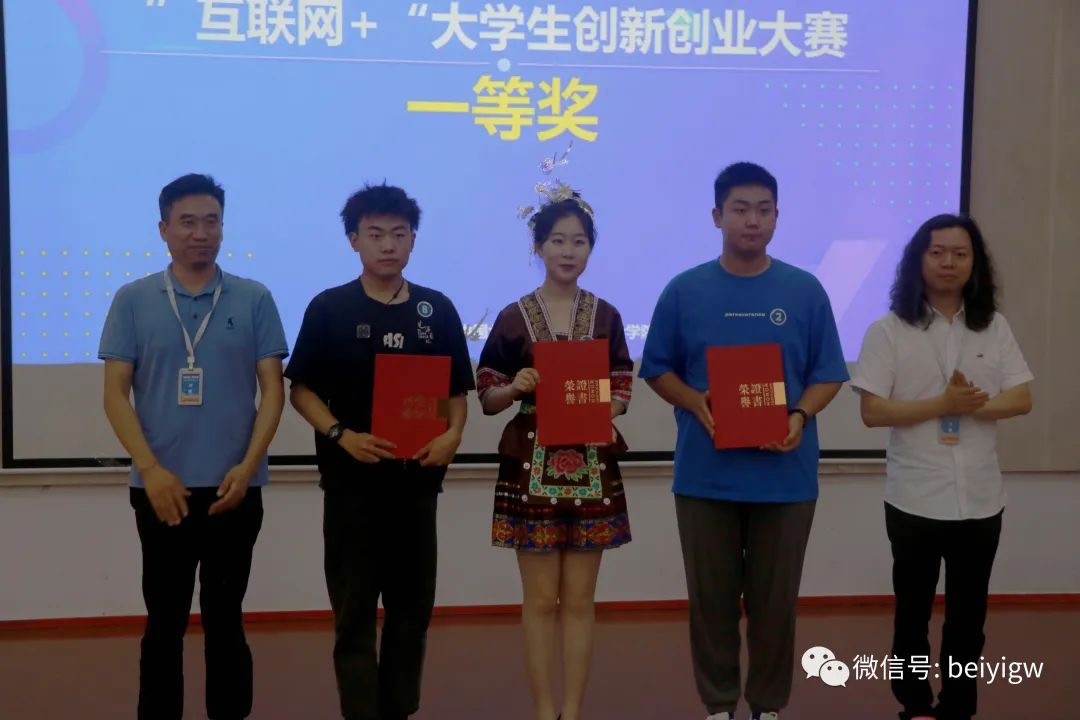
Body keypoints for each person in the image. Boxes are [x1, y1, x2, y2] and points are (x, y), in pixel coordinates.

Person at [638, 162, 849, 720]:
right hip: (706, 476)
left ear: (777, 217)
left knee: (775, 604)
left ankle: (768, 705)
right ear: (717, 216)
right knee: (711, 601)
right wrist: (695, 401)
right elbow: (657, 369)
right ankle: (718, 704)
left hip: (786, 477)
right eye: (740, 209)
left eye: (763, 210)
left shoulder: (804, 290)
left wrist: (800, 414)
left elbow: (828, 373)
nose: (752, 220)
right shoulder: (684, 290)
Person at [99, 173, 289, 720]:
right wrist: (151, 470)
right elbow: (114, 394)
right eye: (187, 222)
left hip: (235, 489)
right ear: (163, 229)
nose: (200, 233)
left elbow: (273, 389)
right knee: (164, 620)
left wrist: (248, 467)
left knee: (226, 618)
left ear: (223, 228)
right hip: (163, 490)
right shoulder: (133, 300)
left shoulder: (253, 298)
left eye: (211, 222)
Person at [284, 183, 474, 720]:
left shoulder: (437, 309)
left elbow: (456, 395)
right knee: (354, 613)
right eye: (375, 234)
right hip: (352, 489)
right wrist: (340, 434)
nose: (388, 244)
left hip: (416, 487)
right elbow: (301, 390)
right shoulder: (329, 308)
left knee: (411, 613)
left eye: (399, 233)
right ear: (353, 240)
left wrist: (453, 435)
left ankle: (399, 709)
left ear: (413, 239)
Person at [850, 214, 1033, 720]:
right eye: (937, 252)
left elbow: (1022, 398)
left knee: (968, 619)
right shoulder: (888, 330)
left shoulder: (993, 326)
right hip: (914, 496)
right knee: (912, 614)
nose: (949, 262)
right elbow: (873, 411)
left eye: (960, 253)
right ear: (918, 260)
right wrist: (943, 404)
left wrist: (970, 405)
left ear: (975, 263)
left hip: (980, 497)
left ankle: (958, 704)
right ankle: (914, 703)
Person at [476, 183, 633, 720]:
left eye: (579, 241)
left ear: (591, 248)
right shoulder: (513, 317)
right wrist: (514, 387)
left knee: (582, 601)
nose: (569, 251)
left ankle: (574, 709)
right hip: (530, 465)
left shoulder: (606, 316)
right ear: (538, 247)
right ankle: (545, 710)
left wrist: (604, 408)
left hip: (591, 463)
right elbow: (487, 396)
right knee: (541, 601)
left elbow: (622, 385)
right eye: (558, 240)